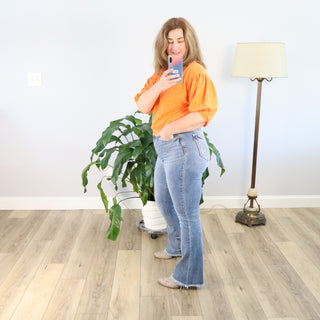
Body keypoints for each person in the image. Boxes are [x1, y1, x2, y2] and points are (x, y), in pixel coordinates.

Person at [134, 17, 218, 289]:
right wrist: (161, 85)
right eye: (170, 41)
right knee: (164, 199)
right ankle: (177, 247)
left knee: (187, 213)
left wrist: (170, 127)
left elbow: (202, 114)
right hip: (167, 147)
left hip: (184, 146)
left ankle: (189, 277)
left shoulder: (195, 72)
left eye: (180, 41)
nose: (175, 47)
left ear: (188, 42)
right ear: (163, 45)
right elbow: (143, 106)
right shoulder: (161, 75)